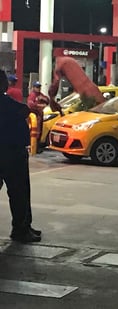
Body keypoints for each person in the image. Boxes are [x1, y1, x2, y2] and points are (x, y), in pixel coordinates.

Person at [0, 69, 41, 243]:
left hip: (9, 150)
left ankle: (24, 226)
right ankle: (21, 229)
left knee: (19, 192)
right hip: (11, 152)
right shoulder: (5, 101)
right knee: (19, 192)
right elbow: (24, 110)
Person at [27, 81, 49, 149]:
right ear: (33, 88)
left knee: (39, 132)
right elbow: (31, 105)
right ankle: (33, 147)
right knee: (34, 132)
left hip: (40, 116)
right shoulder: (32, 95)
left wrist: (43, 99)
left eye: (39, 87)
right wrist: (40, 105)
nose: (38, 88)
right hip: (34, 117)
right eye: (37, 87)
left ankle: (37, 147)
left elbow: (47, 100)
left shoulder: (40, 95)